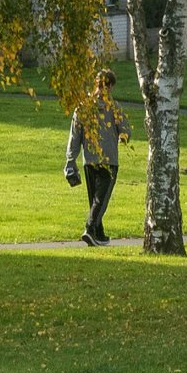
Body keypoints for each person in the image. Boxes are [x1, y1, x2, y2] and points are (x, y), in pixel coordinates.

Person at [65, 69, 131, 247]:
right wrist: (122, 135)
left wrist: (70, 162)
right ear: (110, 86)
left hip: (90, 160)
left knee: (95, 199)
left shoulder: (83, 107)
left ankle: (99, 234)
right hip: (109, 160)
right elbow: (126, 132)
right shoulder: (114, 108)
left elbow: (75, 136)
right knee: (101, 200)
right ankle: (90, 228)